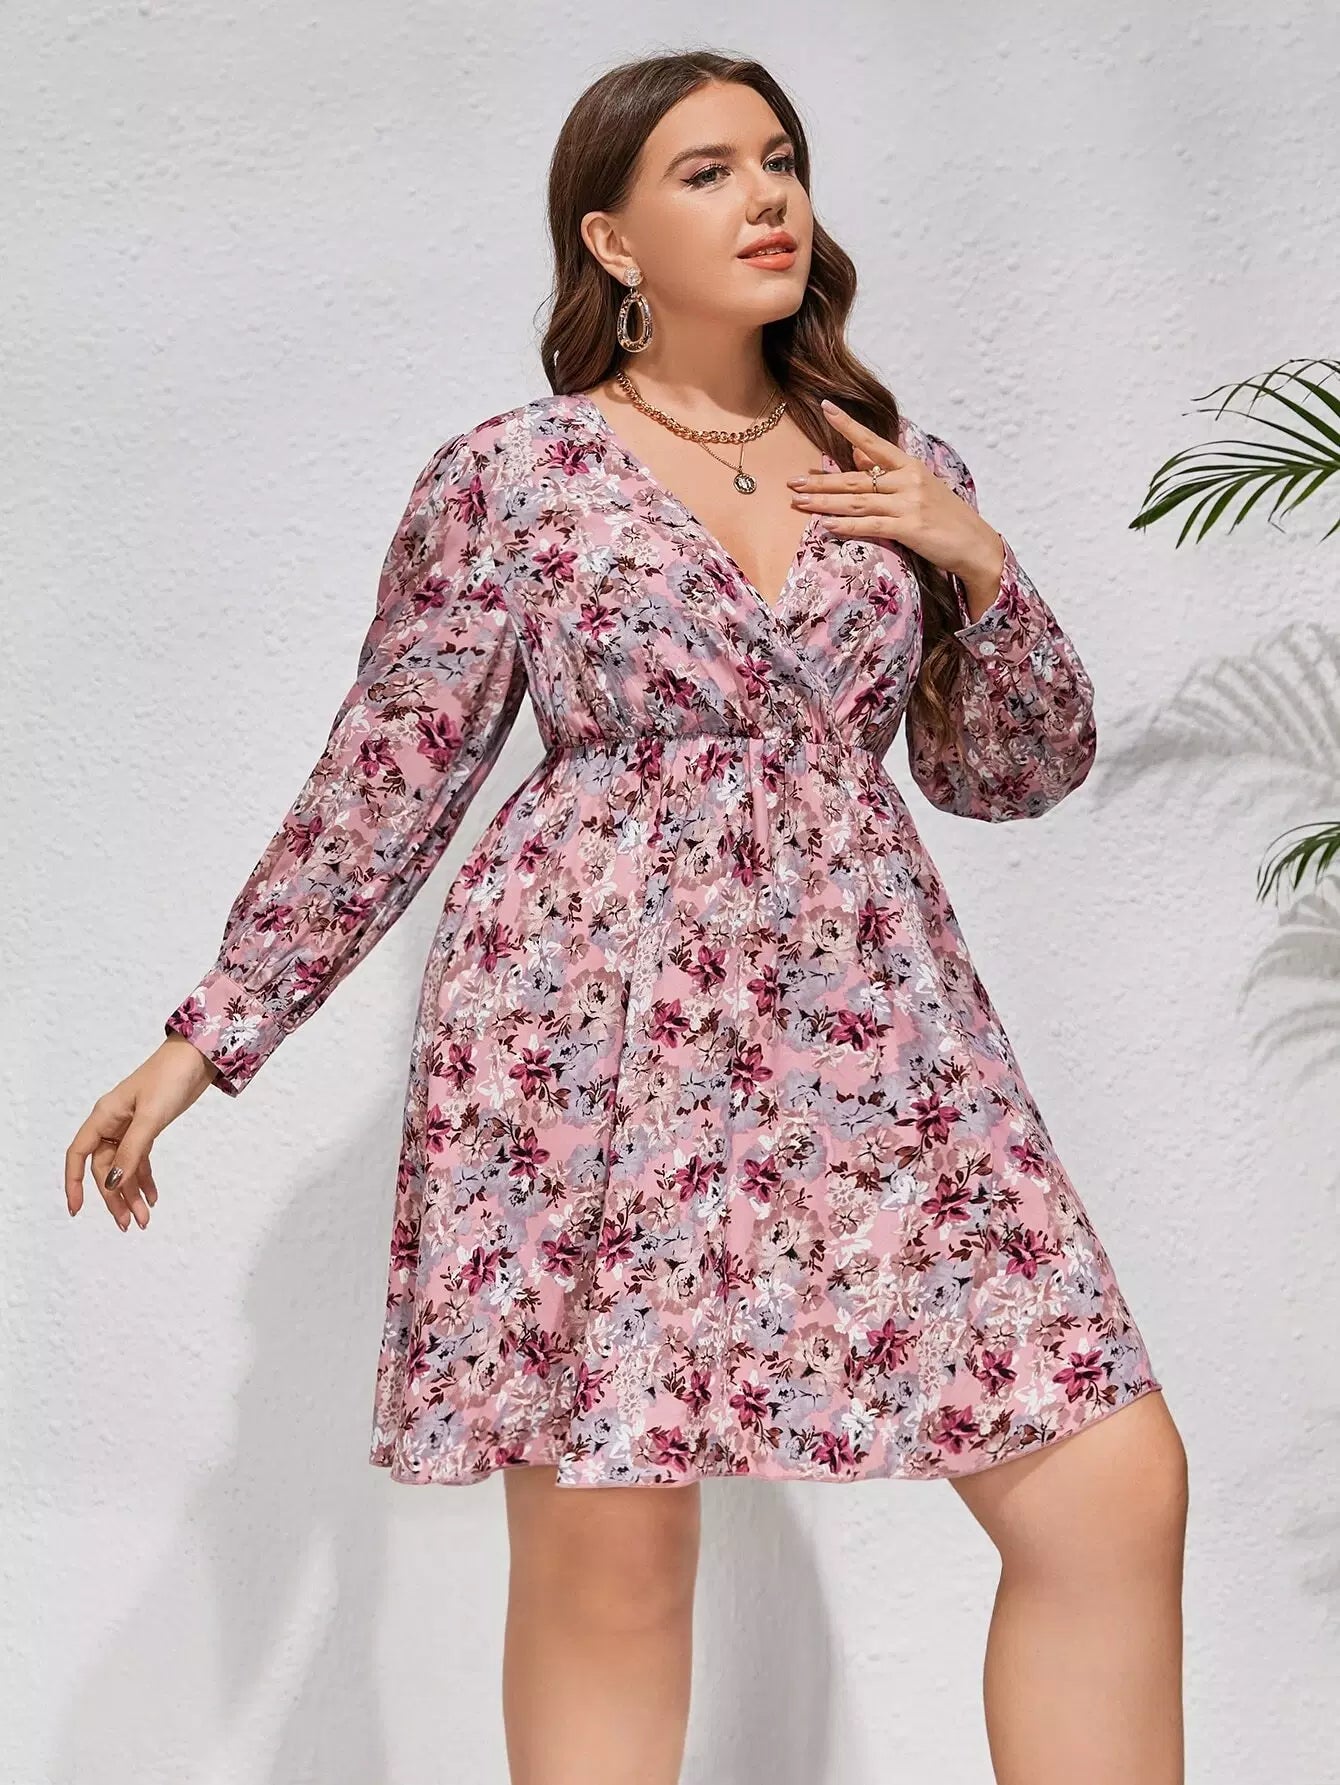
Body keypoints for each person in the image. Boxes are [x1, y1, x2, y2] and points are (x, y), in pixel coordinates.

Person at [64, 47, 1188, 1785]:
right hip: (584, 1020)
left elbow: (1011, 772)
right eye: (707, 171)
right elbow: (389, 775)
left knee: (1113, 1482)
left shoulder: (896, 463)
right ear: (610, 238)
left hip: (874, 1029)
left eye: (781, 159)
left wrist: (978, 558)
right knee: (615, 1552)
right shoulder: (514, 476)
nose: (767, 197)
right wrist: (207, 1036)